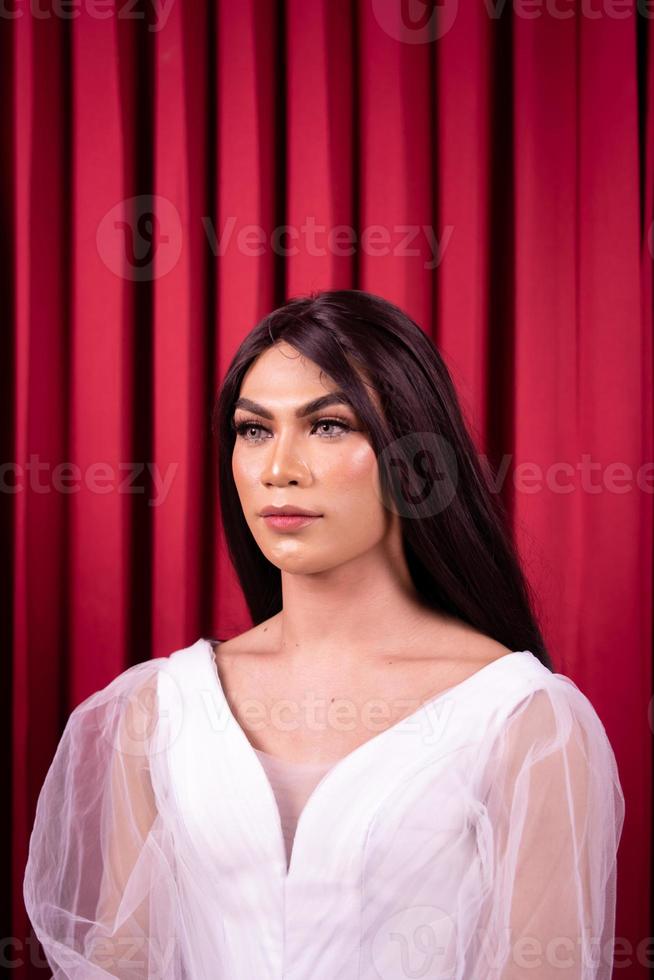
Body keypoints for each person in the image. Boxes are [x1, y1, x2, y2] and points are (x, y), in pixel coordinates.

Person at [23, 289, 625, 978]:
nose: (279, 468)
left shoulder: (524, 720)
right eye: (254, 430)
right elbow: (122, 963)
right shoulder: (163, 708)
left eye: (329, 426)